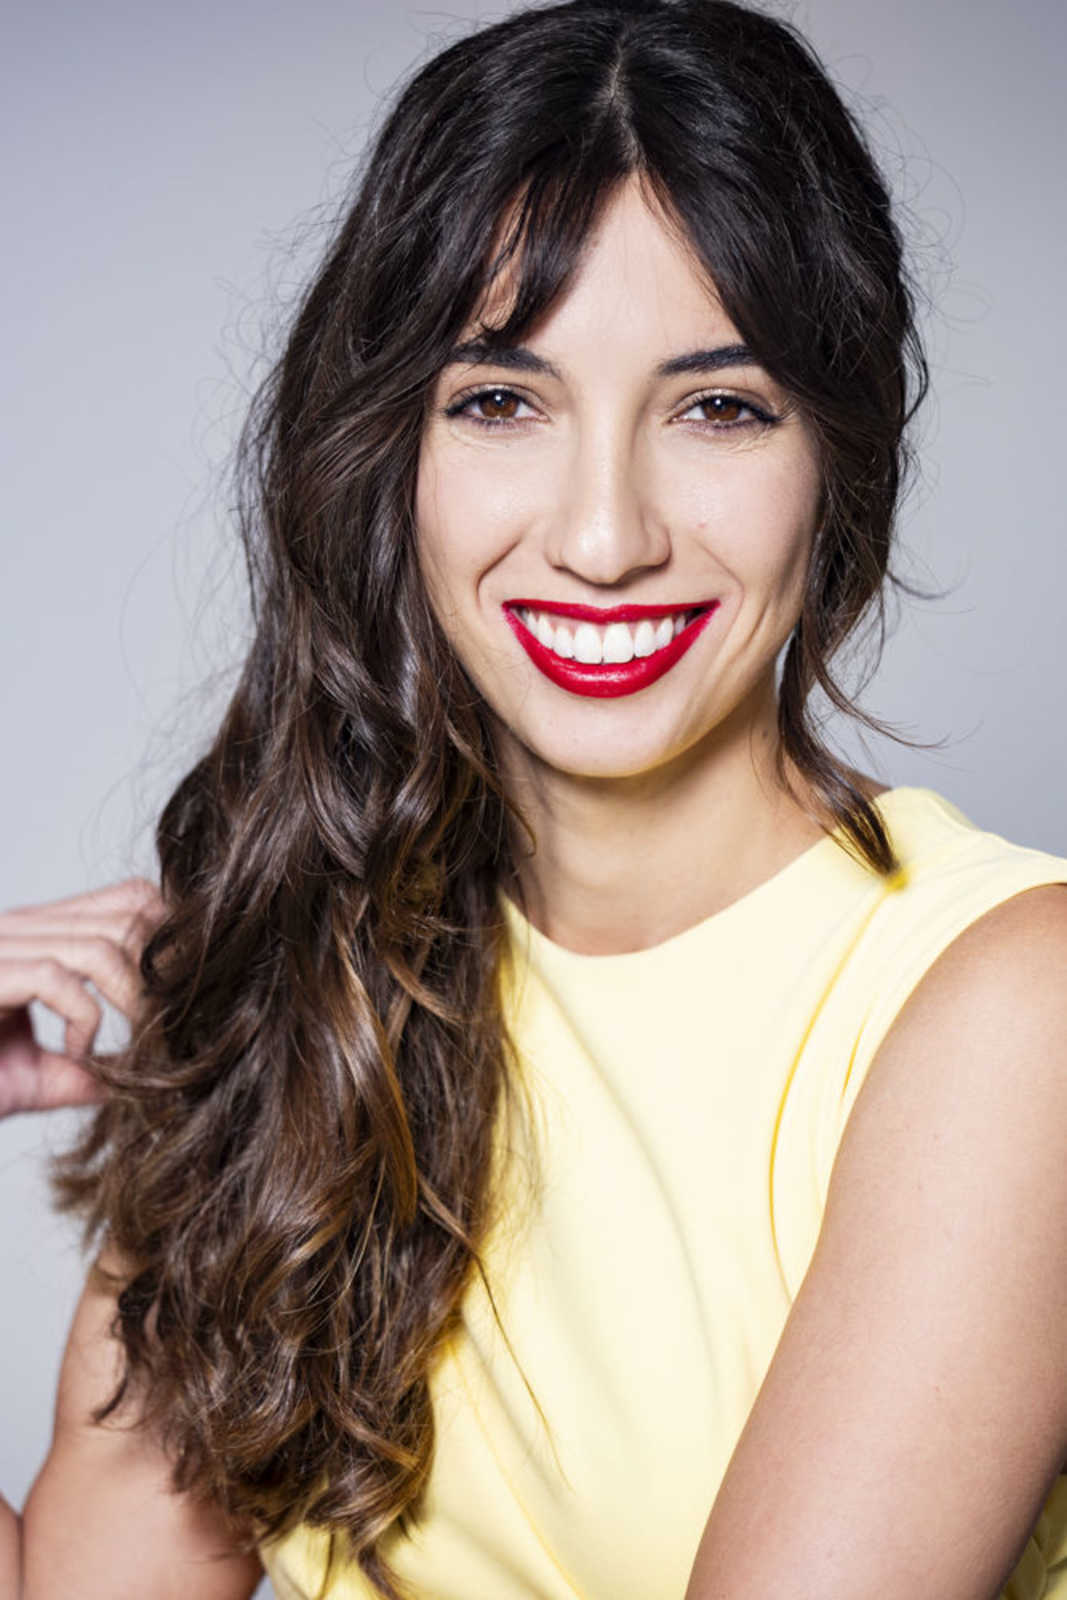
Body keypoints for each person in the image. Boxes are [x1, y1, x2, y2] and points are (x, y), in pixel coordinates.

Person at [4, 0, 1067, 1596]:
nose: (602, 536)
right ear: (389, 455)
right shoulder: (296, 986)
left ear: (834, 462)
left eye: (719, 407)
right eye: (502, 401)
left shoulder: (1009, 1008)